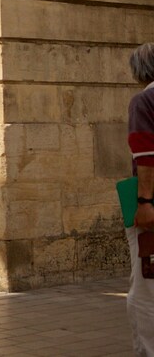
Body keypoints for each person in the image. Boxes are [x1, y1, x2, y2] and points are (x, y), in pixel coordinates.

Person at [127, 43, 154, 355]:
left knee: (146, 289)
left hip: (152, 207)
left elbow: (147, 157)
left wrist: (145, 202)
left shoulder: (144, 101)